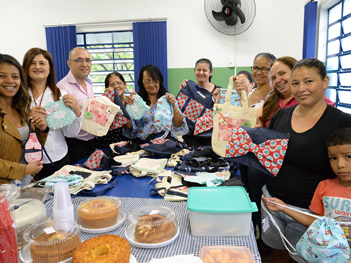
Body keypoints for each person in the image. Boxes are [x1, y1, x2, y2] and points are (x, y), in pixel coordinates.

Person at [259, 58, 351, 263]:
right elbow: (270, 154)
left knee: (304, 259)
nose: (301, 89)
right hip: (272, 201)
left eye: (309, 81)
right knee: (277, 253)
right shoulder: (281, 115)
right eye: (295, 83)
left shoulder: (342, 121)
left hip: (309, 214)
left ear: (325, 81)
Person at [262, 127, 351, 259]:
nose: (340, 165)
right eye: (333, 158)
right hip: (327, 255)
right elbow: (316, 221)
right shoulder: (324, 186)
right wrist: (283, 208)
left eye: (348, 156)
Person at [22, 48, 82, 180]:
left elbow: (70, 133)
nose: (37, 66)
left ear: (50, 69)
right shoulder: (18, 96)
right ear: (25, 67)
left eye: (42, 63)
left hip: (58, 158)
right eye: (32, 63)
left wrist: (77, 113)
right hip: (27, 163)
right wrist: (27, 117)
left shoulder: (61, 95)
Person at [0, 54, 49, 186]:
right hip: (4, 192)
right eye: (2, 76)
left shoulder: (22, 109)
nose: (10, 81)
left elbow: (32, 145)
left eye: (15, 77)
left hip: (25, 185)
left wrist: (41, 129)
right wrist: (23, 170)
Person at [257, 56, 335, 128]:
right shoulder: (271, 101)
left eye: (282, 73)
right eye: (273, 78)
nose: (277, 80)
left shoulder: (312, 99)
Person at [125, 64, 188, 144]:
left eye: (155, 81)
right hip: (142, 145)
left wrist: (174, 105)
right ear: (142, 83)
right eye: (147, 81)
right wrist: (126, 106)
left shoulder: (168, 99)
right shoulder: (136, 101)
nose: (151, 85)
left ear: (160, 81)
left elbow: (179, 124)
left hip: (164, 144)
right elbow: (129, 127)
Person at [57, 47, 95, 164]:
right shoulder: (63, 88)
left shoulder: (89, 83)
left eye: (88, 60)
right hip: (76, 143)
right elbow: (64, 124)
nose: (85, 64)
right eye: (79, 60)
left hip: (92, 140)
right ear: (69, 63)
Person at [179, 58, 221, 147]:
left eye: (204, 70)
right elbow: (181, 113)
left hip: (211, 140)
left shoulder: (218, 91)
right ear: (194, 71)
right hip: (190, 139)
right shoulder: (188, 88)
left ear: (211, 72)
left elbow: (222, 116)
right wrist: (183, 92)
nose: (201, 73)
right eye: (198, 70)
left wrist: (217, 101)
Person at [96, 71, 130, 148]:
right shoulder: (103, 102)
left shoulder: (130, 101)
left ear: (124, 84)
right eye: (112, 84)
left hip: (127, 144)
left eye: (119, 83)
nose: (116, 86)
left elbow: (130, 126)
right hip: (107, 144)